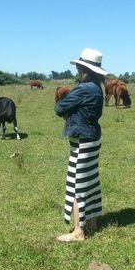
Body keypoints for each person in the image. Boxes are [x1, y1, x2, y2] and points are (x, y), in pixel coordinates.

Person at [54, 48, 107, 242]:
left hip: (82, 142)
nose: (77, 69)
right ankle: (91, 222)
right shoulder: (97, 88)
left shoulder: (83, 88)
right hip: (93, 139)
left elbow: (59, 108)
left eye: (79, 66)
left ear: (84, 69)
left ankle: (78, 232)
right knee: (90, 182)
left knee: (78, 185)